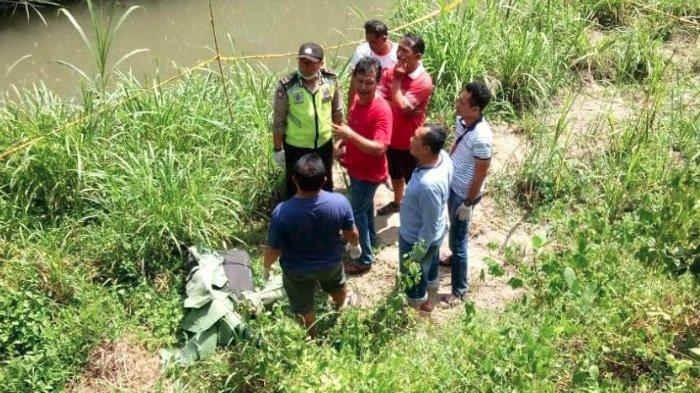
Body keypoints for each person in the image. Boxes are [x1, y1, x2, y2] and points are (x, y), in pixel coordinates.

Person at [263, 153, 361, 337]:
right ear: (324, 180)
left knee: (302, 304)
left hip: (296, 270)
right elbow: (352, 233)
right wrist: (355, 245)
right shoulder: (339, 202)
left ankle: (311, 336)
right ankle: (340, 309)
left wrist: (267, 267)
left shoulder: (282, 212)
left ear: (294, 180)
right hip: (330, 263)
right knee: (337, 285)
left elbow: (273, 249)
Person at [332, 57, 392, 275]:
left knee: (357, 213)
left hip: (369, 174)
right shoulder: (357, 100)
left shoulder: (381, 110)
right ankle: (372, 242)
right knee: (365, 209)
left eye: (369, 83)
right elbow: (353, 127)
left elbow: (379, 148)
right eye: (360, 82)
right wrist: (342, 142)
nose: (363, 87)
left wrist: (349, 135)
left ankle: (364, 259)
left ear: (378, 82)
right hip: (356, 169)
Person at [440, 82, 493, 308]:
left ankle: (459, 291)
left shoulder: (482, 137)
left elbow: (481, 174)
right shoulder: (462, 121)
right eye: (460, 99)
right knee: (454, 230)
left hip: (464, 195)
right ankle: (453, 259)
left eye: (462, 102)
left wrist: (468, 203)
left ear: (476, 110)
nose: (457, 104)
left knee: (460, 240)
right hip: (454, 187)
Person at [272, 42, 344, 199]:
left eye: (310, 62)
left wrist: (338, 143)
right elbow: (278, 122)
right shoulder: (287, 86)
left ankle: (325, 218)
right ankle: (296, 221)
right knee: (295, 188)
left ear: (321, 63)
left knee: (325, 185)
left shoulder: (331, 80)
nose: (304, 65)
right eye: (302, 61)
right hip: (296, 148)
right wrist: (278, 150)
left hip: (324, 145)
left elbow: (337, 113)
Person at [376, 33, 433, 216]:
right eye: (399, 48)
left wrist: (397, 82)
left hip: (410, 142)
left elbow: (401, 106)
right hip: (390, 137)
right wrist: (401, 105)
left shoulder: (423, 81)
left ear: (418, 56)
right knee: (395, 173)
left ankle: (418, 212)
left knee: (415, 179)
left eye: (405, 51)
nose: (399, 54)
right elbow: (379, 101)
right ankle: (397, 202)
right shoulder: (388, 72)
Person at [398, 124, 453, 313]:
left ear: (426, 149)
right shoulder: (443, 157)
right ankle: (429, 300)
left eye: (415, 138)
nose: (410, 140)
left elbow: (427, 227)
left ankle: (418, 310)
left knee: (415, 276)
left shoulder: (428, 185)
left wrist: (416, 254)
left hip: (418, 239)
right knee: (429, 268)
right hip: (437, 231)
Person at [347, 19, 397, 107]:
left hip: (389, 104)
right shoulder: (362, 52)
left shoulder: (397, 54)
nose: (370, 45)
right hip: (365, 102)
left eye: (373, 42)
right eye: (368, 41)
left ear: (384, 38)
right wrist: (350, 110)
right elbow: (354, 83)